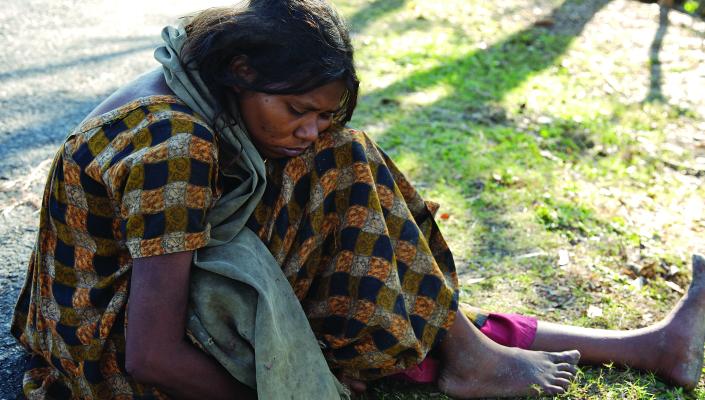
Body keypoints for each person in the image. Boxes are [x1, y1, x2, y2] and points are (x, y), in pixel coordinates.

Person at [10, 0, 705, 398]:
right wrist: (299, 390)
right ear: (243, 70)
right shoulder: (176, 147)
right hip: (98, 365)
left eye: (322, 112)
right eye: (297, 109)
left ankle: (637, 348)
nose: (307, 128)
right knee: (348, 174)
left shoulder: (188, 75)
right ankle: (473, 357)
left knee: (356, 202)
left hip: (105, 315)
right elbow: (150, 357)